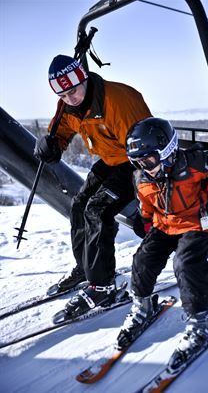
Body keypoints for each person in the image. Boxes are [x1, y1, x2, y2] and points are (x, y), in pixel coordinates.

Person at [116, 117, 208, 356]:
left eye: (149, 159)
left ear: (167, 150)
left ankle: (200, 322)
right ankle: (141, 306)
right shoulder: (142, 178)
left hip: (197, 223)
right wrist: (144, 221)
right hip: (165, 224)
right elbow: (146, 203)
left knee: (186, 263)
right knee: (142, 259)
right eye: (138, 161)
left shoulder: (194, 161)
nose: (145, 167)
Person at [34, 54, 152, 316]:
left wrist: (149, 205)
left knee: (97, 210)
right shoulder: (69, 106)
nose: (69, 99)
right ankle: (86, 268)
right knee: (78, 205)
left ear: (83, 79)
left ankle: (103, 284)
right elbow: (61, 129)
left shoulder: (118, 101)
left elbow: (147, 151)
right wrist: (52, 145)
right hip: (111, 160)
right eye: (63, 95)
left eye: (73, 91)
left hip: (135, 164)